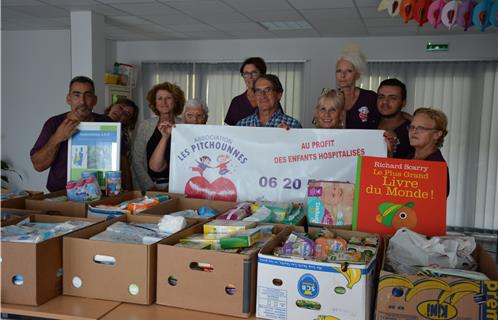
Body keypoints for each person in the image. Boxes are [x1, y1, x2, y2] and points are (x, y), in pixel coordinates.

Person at [30, 76, 111, 192]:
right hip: (61, 195)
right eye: (76, 95)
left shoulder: (107, 122)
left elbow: (121, 159)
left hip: (100, 193)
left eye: (87, 95)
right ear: (69, 99)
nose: (82, 101)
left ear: (95, 100)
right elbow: (38, 165)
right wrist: (58, 137)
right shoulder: (54, 123)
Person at [132, 82, 185, 191]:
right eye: (159, 98)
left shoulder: (184, 126)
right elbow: (137, 160)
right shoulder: (145, 126)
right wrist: (150, 187)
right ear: (154, 103)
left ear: (175, 101)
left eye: (168, 98)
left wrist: (170, 188)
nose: (164, 102)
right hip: (149, 187)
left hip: (177, 187)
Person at [408, 107, 450, 196]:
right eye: (412, 127)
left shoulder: (437, 168)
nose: (414, 131)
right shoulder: (409, 156)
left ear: (437, 134)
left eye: (421, 128)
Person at [335, 46, 380, 129]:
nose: (342, 75)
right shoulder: (330, 98)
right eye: (339, 71)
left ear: (358, 75)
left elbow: (386, 119)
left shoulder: (370, 98)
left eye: (348, 71)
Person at [236, 74, 302, 128]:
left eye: (268, 90)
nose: (263, 95)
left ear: (279, 95)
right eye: (258, 91)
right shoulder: (241, 125)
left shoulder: (293, 125)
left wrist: (290, 137)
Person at [104, 98, 139, 190]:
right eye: (120, 107)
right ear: (112, 105)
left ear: (128, 121)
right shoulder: (94, 121)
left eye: (126, 114)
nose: (121, 113)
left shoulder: (123, 135)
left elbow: (125, 163)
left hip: (114, 182)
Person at [377, 78, 414, 159]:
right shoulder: (368, 123)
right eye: (381, 97)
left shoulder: (412, 131)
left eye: (393, 98)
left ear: (403, 103)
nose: (385, 102)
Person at [225, 57, 266, 126]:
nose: (250, 77)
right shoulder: (236, 102)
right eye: (246, 73)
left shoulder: (269, 100)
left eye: (254, 73)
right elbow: (229, 131)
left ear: (262, 74)